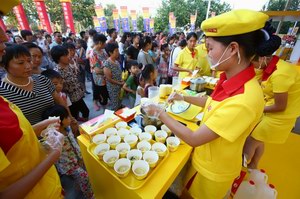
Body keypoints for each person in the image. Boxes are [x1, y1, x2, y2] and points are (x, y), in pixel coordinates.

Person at [142, 9, 267, 199]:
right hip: (205, 159)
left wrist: (160, 113)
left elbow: (193, 138)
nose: (207, 53)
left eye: (210, 48)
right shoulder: (232, 79)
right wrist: (184, 97)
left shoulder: (244, 100)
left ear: (232, 48)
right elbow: (213, 102)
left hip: (213, 171)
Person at [243, 21, 300, 169]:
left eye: (252, 62)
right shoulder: (266, 67)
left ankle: (241, 167)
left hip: (281, 115)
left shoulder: (281, 73)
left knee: (252, 138)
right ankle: (253, 165)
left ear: (262, 58)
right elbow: (250, 83)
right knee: (260, 138)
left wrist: (258, 109)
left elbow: (281, 106)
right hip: (269, 108)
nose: (251, 65)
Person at [0, 45, 65, 125]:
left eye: (29, 61)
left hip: (57, 133)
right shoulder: (2, 93)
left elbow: (59, 100)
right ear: (4, 65)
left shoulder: (42, 79)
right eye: (21, 63)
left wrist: (69, 119)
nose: (28, 66)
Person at [43, 105, 94, 198]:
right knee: (85, 177)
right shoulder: (53, 137)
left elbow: (74, 137)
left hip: (77, 156)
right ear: (58, 122)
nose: (69, 118)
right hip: (68, 165)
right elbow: (48, 151)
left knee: (81, 175)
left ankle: (79, 185)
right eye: (66, 117)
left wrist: (75, 126)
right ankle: (90, 195)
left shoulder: (68, 128)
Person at [51, 45, 89, 122]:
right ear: (58, 58)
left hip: (78, 95)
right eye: (65, 55)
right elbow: (59, 90)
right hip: (70, 100)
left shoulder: (68, 66)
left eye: (67, 54)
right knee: (76, 114)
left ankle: (83, 120)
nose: (68, 57)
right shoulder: (57, 72)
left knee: (84, 111)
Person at [89, 33, 109, 111]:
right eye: (105, 43)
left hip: (106, 76)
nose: (105, 44)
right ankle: (104, 108)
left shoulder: (103, 50)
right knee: (103, 94)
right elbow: (97, 71)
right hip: (100, 79)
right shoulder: (93, 54)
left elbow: (107, 60)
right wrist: (107, 72)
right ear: (100, 43)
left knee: (106, 92)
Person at [103, 43, 124, 111]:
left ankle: (119, 109)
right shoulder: (107, 64)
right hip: (113, 88)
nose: (118, 52)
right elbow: (109, 79)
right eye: (116, 51)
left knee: (119, 100)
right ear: (110, 52)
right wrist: (119, 83)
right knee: (115, 104)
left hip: (119, 86)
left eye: (118, 50)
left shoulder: (116, 61)